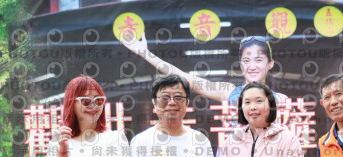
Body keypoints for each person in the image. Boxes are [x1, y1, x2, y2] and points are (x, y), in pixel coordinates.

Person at [122, 34, 287, 105]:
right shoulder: (228, 92)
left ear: (270, 63)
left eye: (258, 60)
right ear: (240, 65)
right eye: (246, 60)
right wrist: (145, 53)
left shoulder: (281, 100)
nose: (252, 66)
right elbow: (186, 78)